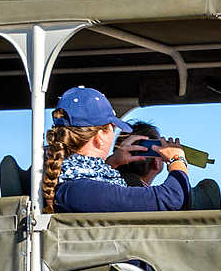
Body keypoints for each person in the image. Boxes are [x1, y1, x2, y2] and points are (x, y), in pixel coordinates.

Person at [41, 88, 188, 214]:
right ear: (99, 137)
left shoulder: (69, 177)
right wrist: (177, 159)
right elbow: (171, 199)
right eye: (113, 128)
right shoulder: (79, 190)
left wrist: (111, 163)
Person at [107, 119, 164, 187]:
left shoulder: (101, 182)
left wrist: (110, 162)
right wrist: (176, 159)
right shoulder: (151, 195)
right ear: (156, 162)